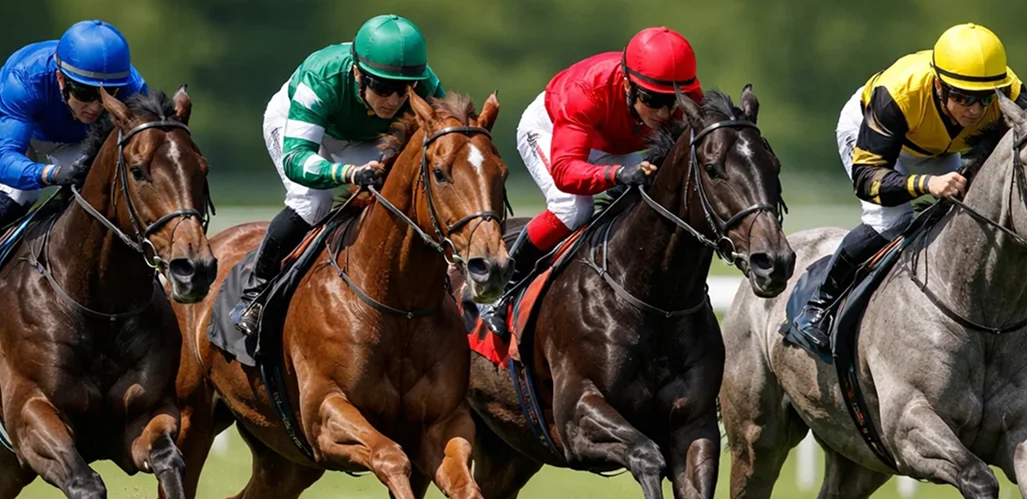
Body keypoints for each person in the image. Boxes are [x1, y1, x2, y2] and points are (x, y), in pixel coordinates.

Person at [786, 22, 1025, 359]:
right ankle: (817, 308)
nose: (974, 110)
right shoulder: (897, 93)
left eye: (984, 99)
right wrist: (926, 184)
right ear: (939, 86)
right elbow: (868, 180)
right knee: (891, 221)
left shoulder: (1010, 93)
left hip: (939, 147)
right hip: (876, 139)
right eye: (962, 97)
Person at [479, 27, 705, 337]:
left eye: (673, 101)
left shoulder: (678, 89)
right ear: (627, 85)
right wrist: (617, 175)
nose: (665, 113)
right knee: (572, 208)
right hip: (552, 131)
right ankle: (501, 290)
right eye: (653, 100)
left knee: (654, 200)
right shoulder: (586, 91)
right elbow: (565, 172)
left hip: (613, 146)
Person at [230, 14, 445, 337]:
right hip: (299, 127)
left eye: (404, 90)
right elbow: (296, 159)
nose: (394, 100)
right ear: (358, 73)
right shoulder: (323, 78)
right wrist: (347, 173)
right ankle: (255, 292)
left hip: (364, 137)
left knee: (394, 197)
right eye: (383, 88)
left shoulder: (427, 86)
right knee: (313, 202)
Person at [0, 20, 147, 331]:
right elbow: (4, 160)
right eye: (85, 92)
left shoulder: (132, 88)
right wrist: (51, 173)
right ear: (60, 78)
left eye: (108, 94)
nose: (96, 106)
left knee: (100, 191)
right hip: (11, 122)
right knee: (18, 196)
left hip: (72, 136)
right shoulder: (24, 79)